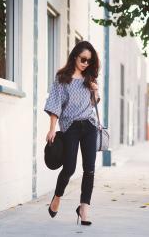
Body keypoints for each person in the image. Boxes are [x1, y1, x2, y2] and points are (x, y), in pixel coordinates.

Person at [44, 41, 100, 225]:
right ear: (75, 56)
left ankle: (84, 209)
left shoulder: (89, 78)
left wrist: (95, 90)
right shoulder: (62, 78)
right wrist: (52, 128)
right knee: (69, 168)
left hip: (89, 126)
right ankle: (57, 197)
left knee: (89, 169)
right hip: (70, 127)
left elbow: (94, 102)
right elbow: (55, 105)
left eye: (89, 61)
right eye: (83, 59)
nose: (86, 63)